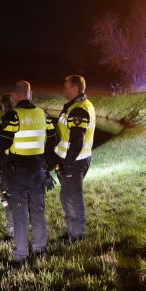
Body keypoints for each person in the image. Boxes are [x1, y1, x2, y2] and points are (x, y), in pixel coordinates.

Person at [0, 80, 58, 265]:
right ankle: (40, 249)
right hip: (38, 170)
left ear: (16, 96)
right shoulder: (43, 115)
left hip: (18, 173)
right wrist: (45, 164)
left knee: (20, 213)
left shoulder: (13, 117)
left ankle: (21, 255)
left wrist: (9, 158)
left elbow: (3, 145)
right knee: (38, 210)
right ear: (31, 94)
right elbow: (53, 139)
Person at [54, 75, 96, 243]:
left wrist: (68, 163)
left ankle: (78, 235)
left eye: (66, 87)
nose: (64, 90)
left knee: (74, 197)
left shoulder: (79, 109)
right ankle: (72, 231)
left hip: (75, 161)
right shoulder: (74, 106)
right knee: (66, 196)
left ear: (75, 88)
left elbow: (77, 141)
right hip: (71, 160)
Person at [0, 93, 17, 239]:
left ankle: (11, 229)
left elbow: (4, 144)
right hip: (19, 166)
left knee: (5, 198)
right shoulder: (20, 122)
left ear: (3, 106)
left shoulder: (2, 125)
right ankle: (18, 225)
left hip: (6, 168)